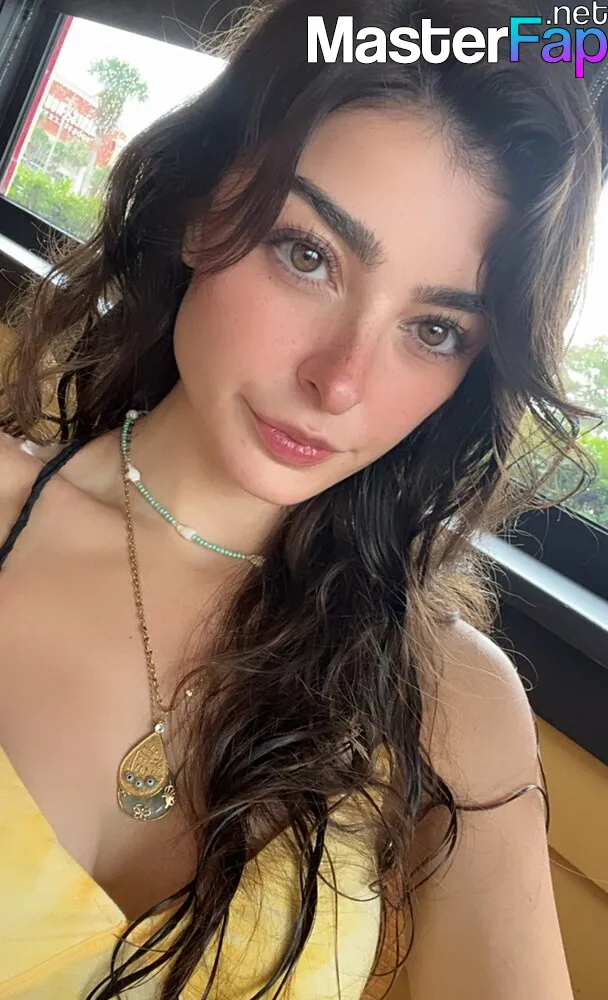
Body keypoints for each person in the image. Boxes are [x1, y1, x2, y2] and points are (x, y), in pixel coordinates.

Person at [0, 0, 602, 997]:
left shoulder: (449, 701)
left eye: (435, 330)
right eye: (308, 254)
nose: (341, 381)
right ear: (203, 207)